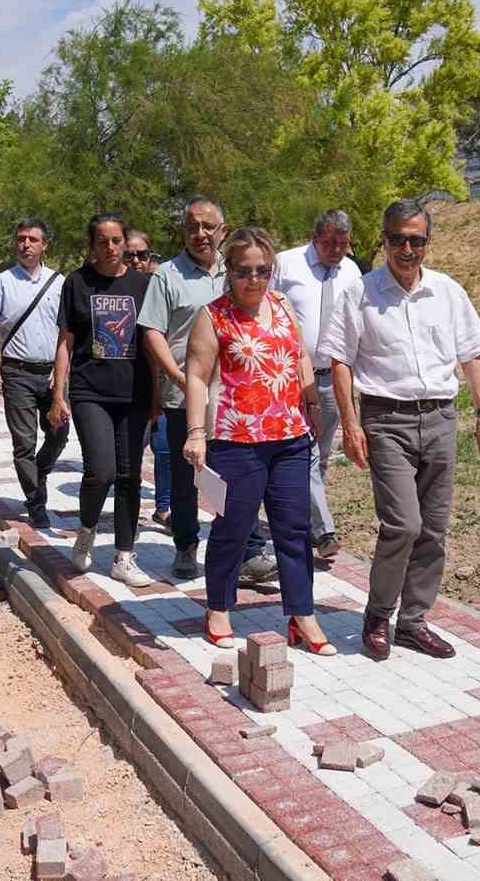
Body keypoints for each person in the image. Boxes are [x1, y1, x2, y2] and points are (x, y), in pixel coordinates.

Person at [320, 199, 480, 663]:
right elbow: (340, 361)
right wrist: (351, 424)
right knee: (404, 524)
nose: (406, 248)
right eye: (397, 238)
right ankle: (378, 615)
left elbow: (470, 354)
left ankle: (413, 623)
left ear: (427, 243)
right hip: (387, 420)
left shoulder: (447, 292)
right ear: (383, 240)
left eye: (416, 240)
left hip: (440, 417)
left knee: (434, 529)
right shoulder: (360, 294)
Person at [182, 227, 334, 655]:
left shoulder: (283, 305)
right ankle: (218, 606)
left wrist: (314, 407)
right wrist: (197, 433)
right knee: (233, 526)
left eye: (263, 270)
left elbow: (299, 355)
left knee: (294, 529)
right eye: (244, 270)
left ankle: (301, 614)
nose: (254, 279)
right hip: (237, 440)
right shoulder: (213, 317)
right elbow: (196, 375)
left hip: (290, 437)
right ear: (228, 271)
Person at [141, 197, 277, 583]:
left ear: (222, 230)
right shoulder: (167, 276)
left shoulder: (238, 269)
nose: (199, 234)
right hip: (185, 397)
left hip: (237, 397)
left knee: (241, 476)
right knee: (188, 477)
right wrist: (177, 375)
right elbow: (153, 331)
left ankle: (249, 553)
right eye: (191, 226)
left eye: (207, 226)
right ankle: (185, 545)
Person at [47, 214, 154, 587]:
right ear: (92, 245)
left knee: (129, 475)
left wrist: (158, 394)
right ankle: (87, 528)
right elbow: (66, 341)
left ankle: (124, 557)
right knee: (102, 471)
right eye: (103, 241)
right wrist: (58, 394)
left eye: (116, 240)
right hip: (90, 390)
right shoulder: (77, 283)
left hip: (135, 393)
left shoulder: (143, 285)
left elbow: (152, 343)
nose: (110, 248)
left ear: (125, 243)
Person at [273, 209, 361, 559]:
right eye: (329, 243)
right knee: (305, 454)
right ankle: (324, 531)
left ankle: (306, 523)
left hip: (332, 378)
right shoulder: (287, 264)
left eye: (343, 244)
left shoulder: (352, 273)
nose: (336, 251)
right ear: (315, 237)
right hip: (291, 377)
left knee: (320, 456)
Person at [0, 219, 66, 528]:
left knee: (59, 433)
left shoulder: (59, 282)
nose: (26, 244)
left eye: (33, 239)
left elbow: (67, 332)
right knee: (24, 442)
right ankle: (36, 500)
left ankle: (39, 472)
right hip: (17, 372)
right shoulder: (2, 282)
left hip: (53, 374)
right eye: (21, 239)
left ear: (45, 246)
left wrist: (62, 373)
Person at [124, 229, 172, 529]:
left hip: (162, 382)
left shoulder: (159, 287)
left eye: (143, 255)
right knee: (129, 456)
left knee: (165, 447)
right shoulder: (113, 289)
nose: (137, 261)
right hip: (127, 385)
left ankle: (165, 507)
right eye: (131, 254)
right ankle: (127, 510)